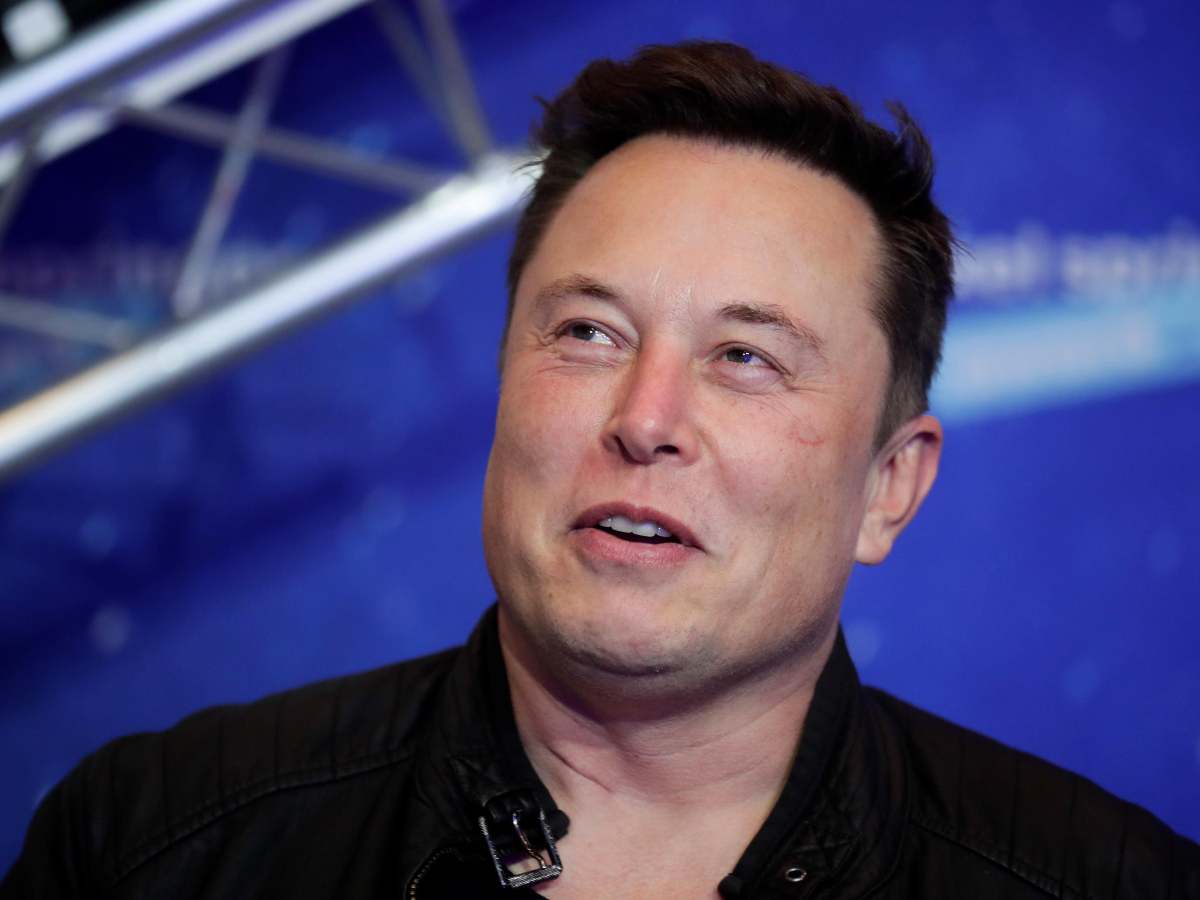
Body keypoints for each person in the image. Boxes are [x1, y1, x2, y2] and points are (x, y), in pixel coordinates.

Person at [3, 40, 1197, 900]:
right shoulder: (157, 843)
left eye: (745, 357)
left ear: (889, 487)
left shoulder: (1100, 881)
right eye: (588, 333)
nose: (645, 420)